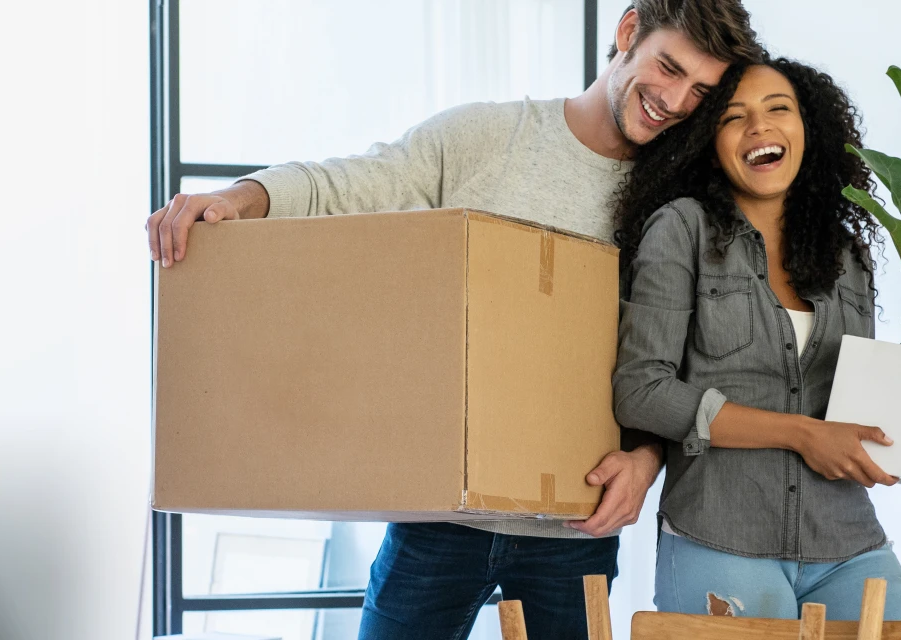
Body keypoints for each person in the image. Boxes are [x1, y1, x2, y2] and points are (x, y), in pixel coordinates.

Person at [145, 2, 760, 637]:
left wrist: (649, 458)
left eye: (700, 92)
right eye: (668, 68)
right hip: (436, 519)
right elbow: (350, 185)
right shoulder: (487, 138)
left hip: (575, 527)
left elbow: (679, 355)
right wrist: (234, 199)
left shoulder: (679, 202)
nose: (676, 101)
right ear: (628, 32)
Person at [610, 57, 901, 622]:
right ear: (709, 141)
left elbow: (867, 420)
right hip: (723, 534)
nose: (759, 127)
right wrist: (802, 434)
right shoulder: (682, 228)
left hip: (846, 542)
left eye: (779, 109)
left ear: (810, 129)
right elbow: (642, 389)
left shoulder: (848, 256)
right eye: (735, 117)